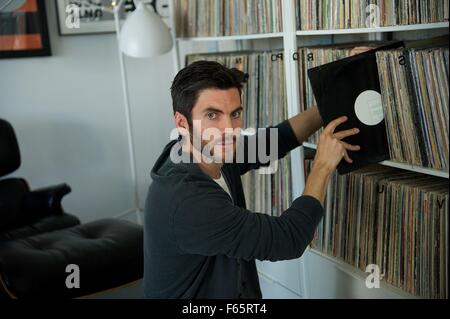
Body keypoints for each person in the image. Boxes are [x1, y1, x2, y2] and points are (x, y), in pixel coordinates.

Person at [143, 60, 360, 299]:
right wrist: (322, 165)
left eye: (235, 113)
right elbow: (289, 239)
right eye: (212, 115)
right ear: (182, 123)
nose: (229, 128)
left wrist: (332, 101)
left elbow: (274, 141)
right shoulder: (187, 201)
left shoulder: (204, 149)